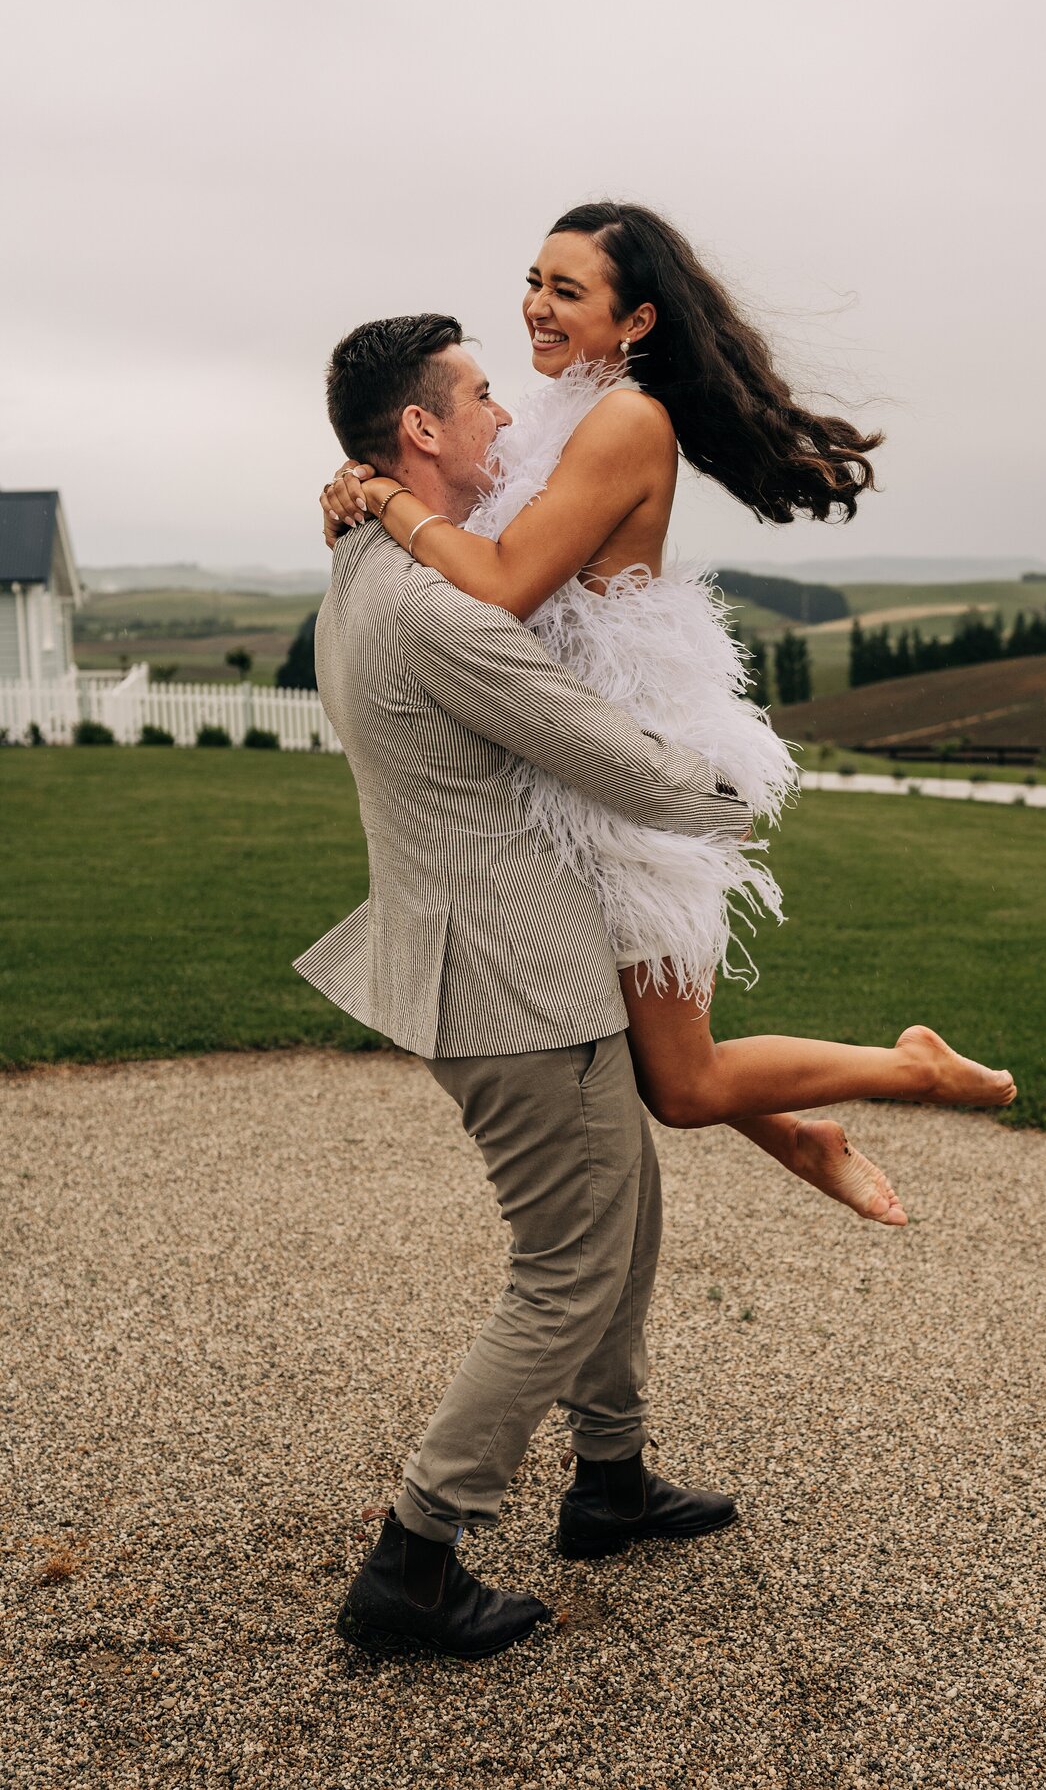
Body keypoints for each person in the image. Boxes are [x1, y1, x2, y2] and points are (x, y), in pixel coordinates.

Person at [321, 201, 1017, 1237]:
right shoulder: (554, 412)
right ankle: (801, 1135)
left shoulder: (628, 420)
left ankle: (909, 1068)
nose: (535, 307)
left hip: (625, 769)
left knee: (681, 1084)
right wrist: (356, 488)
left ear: (636, 321)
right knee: (649, 1054)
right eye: (534, 280)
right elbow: (465, 515)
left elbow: (504, 580)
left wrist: (382, 500)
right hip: (560, 758)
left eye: (568, 291)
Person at [295, 312, 758, 1660]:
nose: (506, 415)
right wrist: (742, 796)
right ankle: (414, 1558)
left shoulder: (368, 554)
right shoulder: (440, 612)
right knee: (566, 1267)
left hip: (501, 965)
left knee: (627, 1217)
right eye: (481, 396)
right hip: (518, 985)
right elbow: (618, 761)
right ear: (422, 432)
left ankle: (608, 1480)